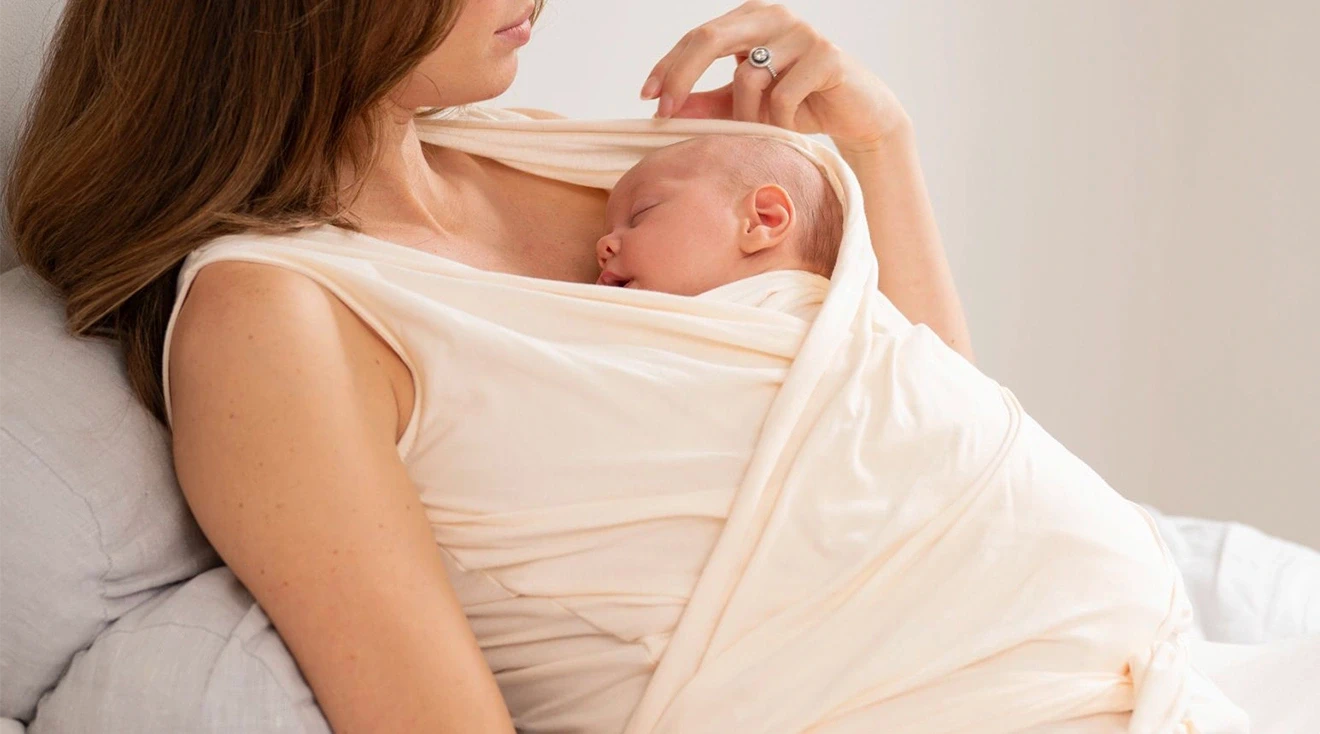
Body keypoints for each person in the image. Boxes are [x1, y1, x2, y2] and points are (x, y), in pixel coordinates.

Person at [5, 0, 973, 730]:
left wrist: (877, 146)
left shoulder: (543, 149)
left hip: (1023, 623)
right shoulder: (267, 321)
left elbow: (944, 444)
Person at [595, 134, 844, 297]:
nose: (602, 245)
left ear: (762, 221)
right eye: (609, 230)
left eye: (641, 213)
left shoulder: (823, 326)